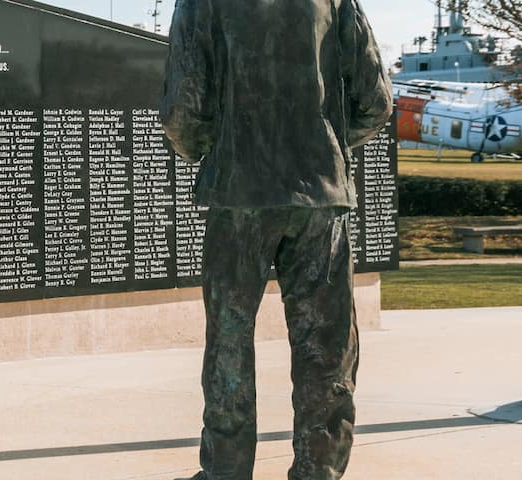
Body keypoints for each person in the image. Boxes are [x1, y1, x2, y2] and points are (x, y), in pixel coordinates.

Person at [161, 0, 393, 478]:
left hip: (237, 191)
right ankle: (319, 469)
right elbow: (376, 100)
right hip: (320, 194)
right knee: (326, 346)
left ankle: (225, 471)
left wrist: (215, 151)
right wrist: (319, 148)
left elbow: (184, 107)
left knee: (229, 340)